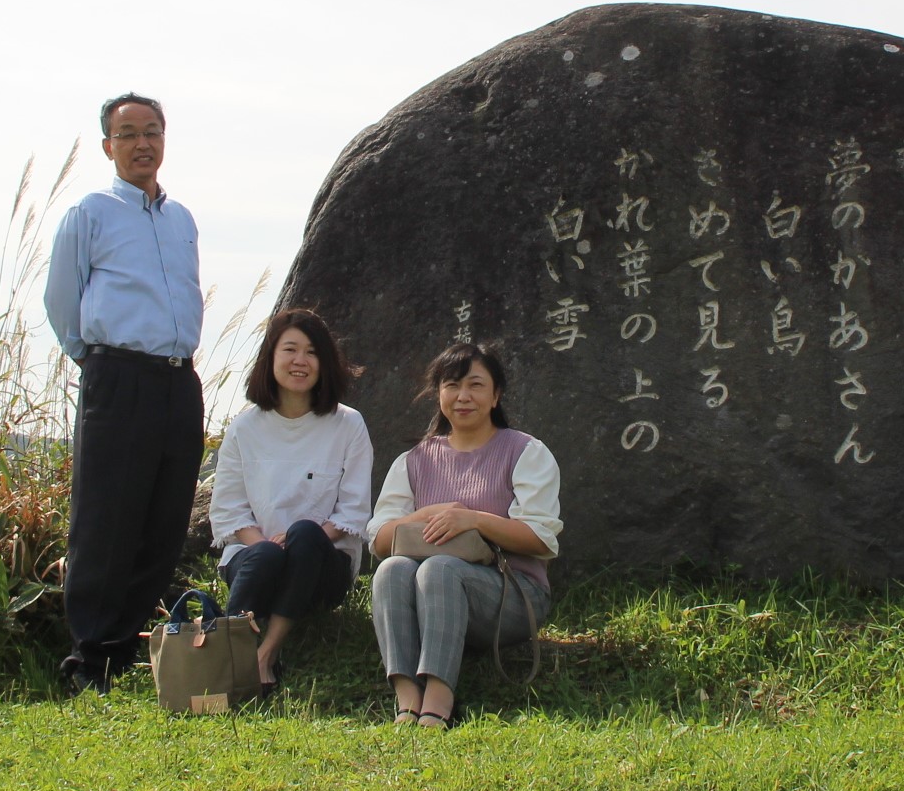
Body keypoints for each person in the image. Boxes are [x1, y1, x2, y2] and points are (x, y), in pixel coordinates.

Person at [44, 91, 204, 692]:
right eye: (129, 133)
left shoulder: (181, 218)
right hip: (116, 376)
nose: (143, 143)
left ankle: (127, 645)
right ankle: (89, 658)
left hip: (178, 378)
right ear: (108, 145)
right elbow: (62, 298)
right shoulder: (90, 212)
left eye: (153, 131)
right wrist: (92, 358)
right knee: (106, 517)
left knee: (164, 517)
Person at [366, 343, 561, 729]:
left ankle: (440, 701)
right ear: (439, 395)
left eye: (476, 385)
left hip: (513, 596)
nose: (463, 396)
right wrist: (425, 516)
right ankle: (407, 699)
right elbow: (379, 539)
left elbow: (541, 539)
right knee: (391, 570)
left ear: (496, 396)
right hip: (427, 598)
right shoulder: (413, 461)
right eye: (452, 385)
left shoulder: (525, 452)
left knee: (439, 568)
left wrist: (474, 520)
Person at [210, 308, 372, 690]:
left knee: (303, 533)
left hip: (323, 564)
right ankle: (229, 654)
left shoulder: (348, 424)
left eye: (312, 352)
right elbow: (229, 510)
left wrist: (300, 539)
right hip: (257, 557)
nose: (300, 361)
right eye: (290, 350)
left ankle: (266, 653)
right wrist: (267, 544)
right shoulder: (244, 427)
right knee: (265, 554)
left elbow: (353, 510)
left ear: (326, 363)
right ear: (270, 358)